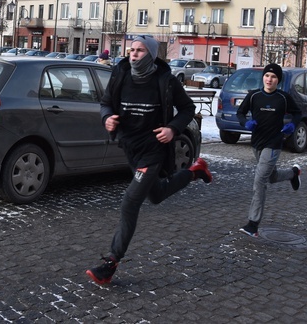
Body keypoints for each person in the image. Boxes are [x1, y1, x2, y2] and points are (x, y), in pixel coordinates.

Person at [85, 35, 213, 285]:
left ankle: (110, 263)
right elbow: (106, 103)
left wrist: (173, 129)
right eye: (131, 50)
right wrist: (107, 118)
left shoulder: (164, 80)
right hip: (130, 147)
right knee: (156, 195)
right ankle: (195, 172)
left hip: (153, 151)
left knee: (130, 202)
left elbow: (187, 108)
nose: (133, 54)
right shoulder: (120, 74)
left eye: (140, 51)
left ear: (151, 55)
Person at [236, 63, 303, 238]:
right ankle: (293, 173)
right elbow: (240, 113)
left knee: (259, 181)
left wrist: (292, 126)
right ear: (263, 78)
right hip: (257, 142)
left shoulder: (283, 97)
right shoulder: (254, 96)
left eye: (273, 77)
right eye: (267, 76)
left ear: (278, 81)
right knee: (271, 177)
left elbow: (298, 113)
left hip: (274, 143)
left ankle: (253, 224)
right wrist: (246, 123)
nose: (269, 79)